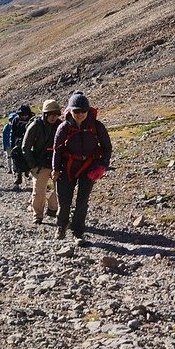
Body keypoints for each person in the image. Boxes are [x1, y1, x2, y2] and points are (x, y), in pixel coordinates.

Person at [52, 92, 112, 241]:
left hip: (89, 168)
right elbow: (57, 149)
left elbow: (107, 147)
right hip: (67, 168)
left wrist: (103, 165)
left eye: (83, 111)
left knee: (82, 202)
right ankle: (61, 226)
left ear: (88, 110)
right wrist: (55, 169)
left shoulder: (96, 126)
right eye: (76, 111)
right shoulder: (64, 127)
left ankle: (78, 232)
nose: (80, 114)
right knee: (64, 201)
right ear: (70, 111)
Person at [22, 99, 61, 224]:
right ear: (45, 114)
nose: (53, 117)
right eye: (51, 114)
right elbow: (25, 147)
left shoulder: (60, 125)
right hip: (39, 166)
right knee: (39, 192)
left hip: (54, 165)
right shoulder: (35, 126)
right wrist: (33, 166)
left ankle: (52, 210)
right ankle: (38, 215)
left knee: (51, 190)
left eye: (56, 114)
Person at [10, 104, 34, 189]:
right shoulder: (15, 120)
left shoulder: (33, 120)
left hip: (31, 143)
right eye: (22, 115)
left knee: (31, 159)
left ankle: (31, 173)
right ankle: (18, 176)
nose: (24, 117)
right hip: (18, 143)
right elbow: (12, 134)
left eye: (26, 115)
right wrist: (12, 145)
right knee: (16, 159)